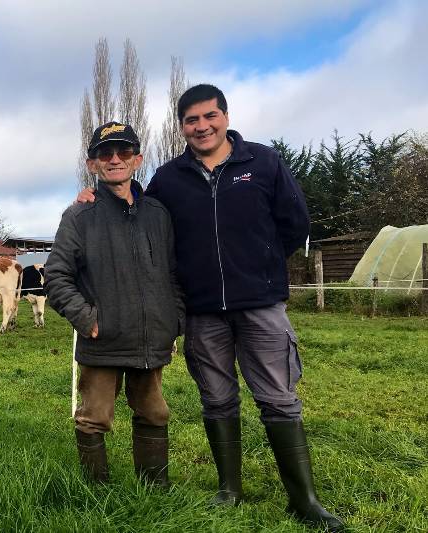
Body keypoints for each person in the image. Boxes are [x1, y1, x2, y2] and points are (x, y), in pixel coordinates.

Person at [76, 85, 344, 531]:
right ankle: (228, 491)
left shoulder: (263, 163)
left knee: (279, 398)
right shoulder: (170, 176)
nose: (201, 126)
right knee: (217, 397)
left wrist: (263, 267)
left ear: (225, 116)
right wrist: (91, 198)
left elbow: (295, 223)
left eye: (209, 116)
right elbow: (136, 206)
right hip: (203, 311)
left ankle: (304, 500)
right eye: (191, 120)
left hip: (259, 304)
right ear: (181, 127)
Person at [45, 121, 185, 487]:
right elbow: (56, 276)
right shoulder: (79, 216)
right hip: (102, 338)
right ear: (92, 164)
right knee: (94, 417)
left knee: (154, 412)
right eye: (105, 153)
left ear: (137, 159)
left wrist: (174, 320)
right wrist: (86, 318)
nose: (115, 159)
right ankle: (96, 492)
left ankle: (155, 488)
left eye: (124, 152)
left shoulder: (159, 214)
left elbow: (174, 274)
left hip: (151, 337)